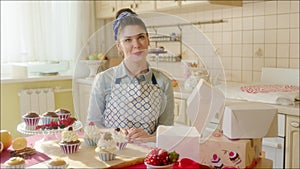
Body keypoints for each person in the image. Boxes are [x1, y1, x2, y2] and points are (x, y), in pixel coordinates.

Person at [87, 8, 174, 143]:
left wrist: (148, 138)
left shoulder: (164, 82)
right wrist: (115, 132)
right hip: (112, 154)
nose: (136, 45)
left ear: (148, 40)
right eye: (128, 40)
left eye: (141, 37)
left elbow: (167, 131)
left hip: (149, 157)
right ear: (119, 46)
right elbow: (92, 125)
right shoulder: (104, 80)